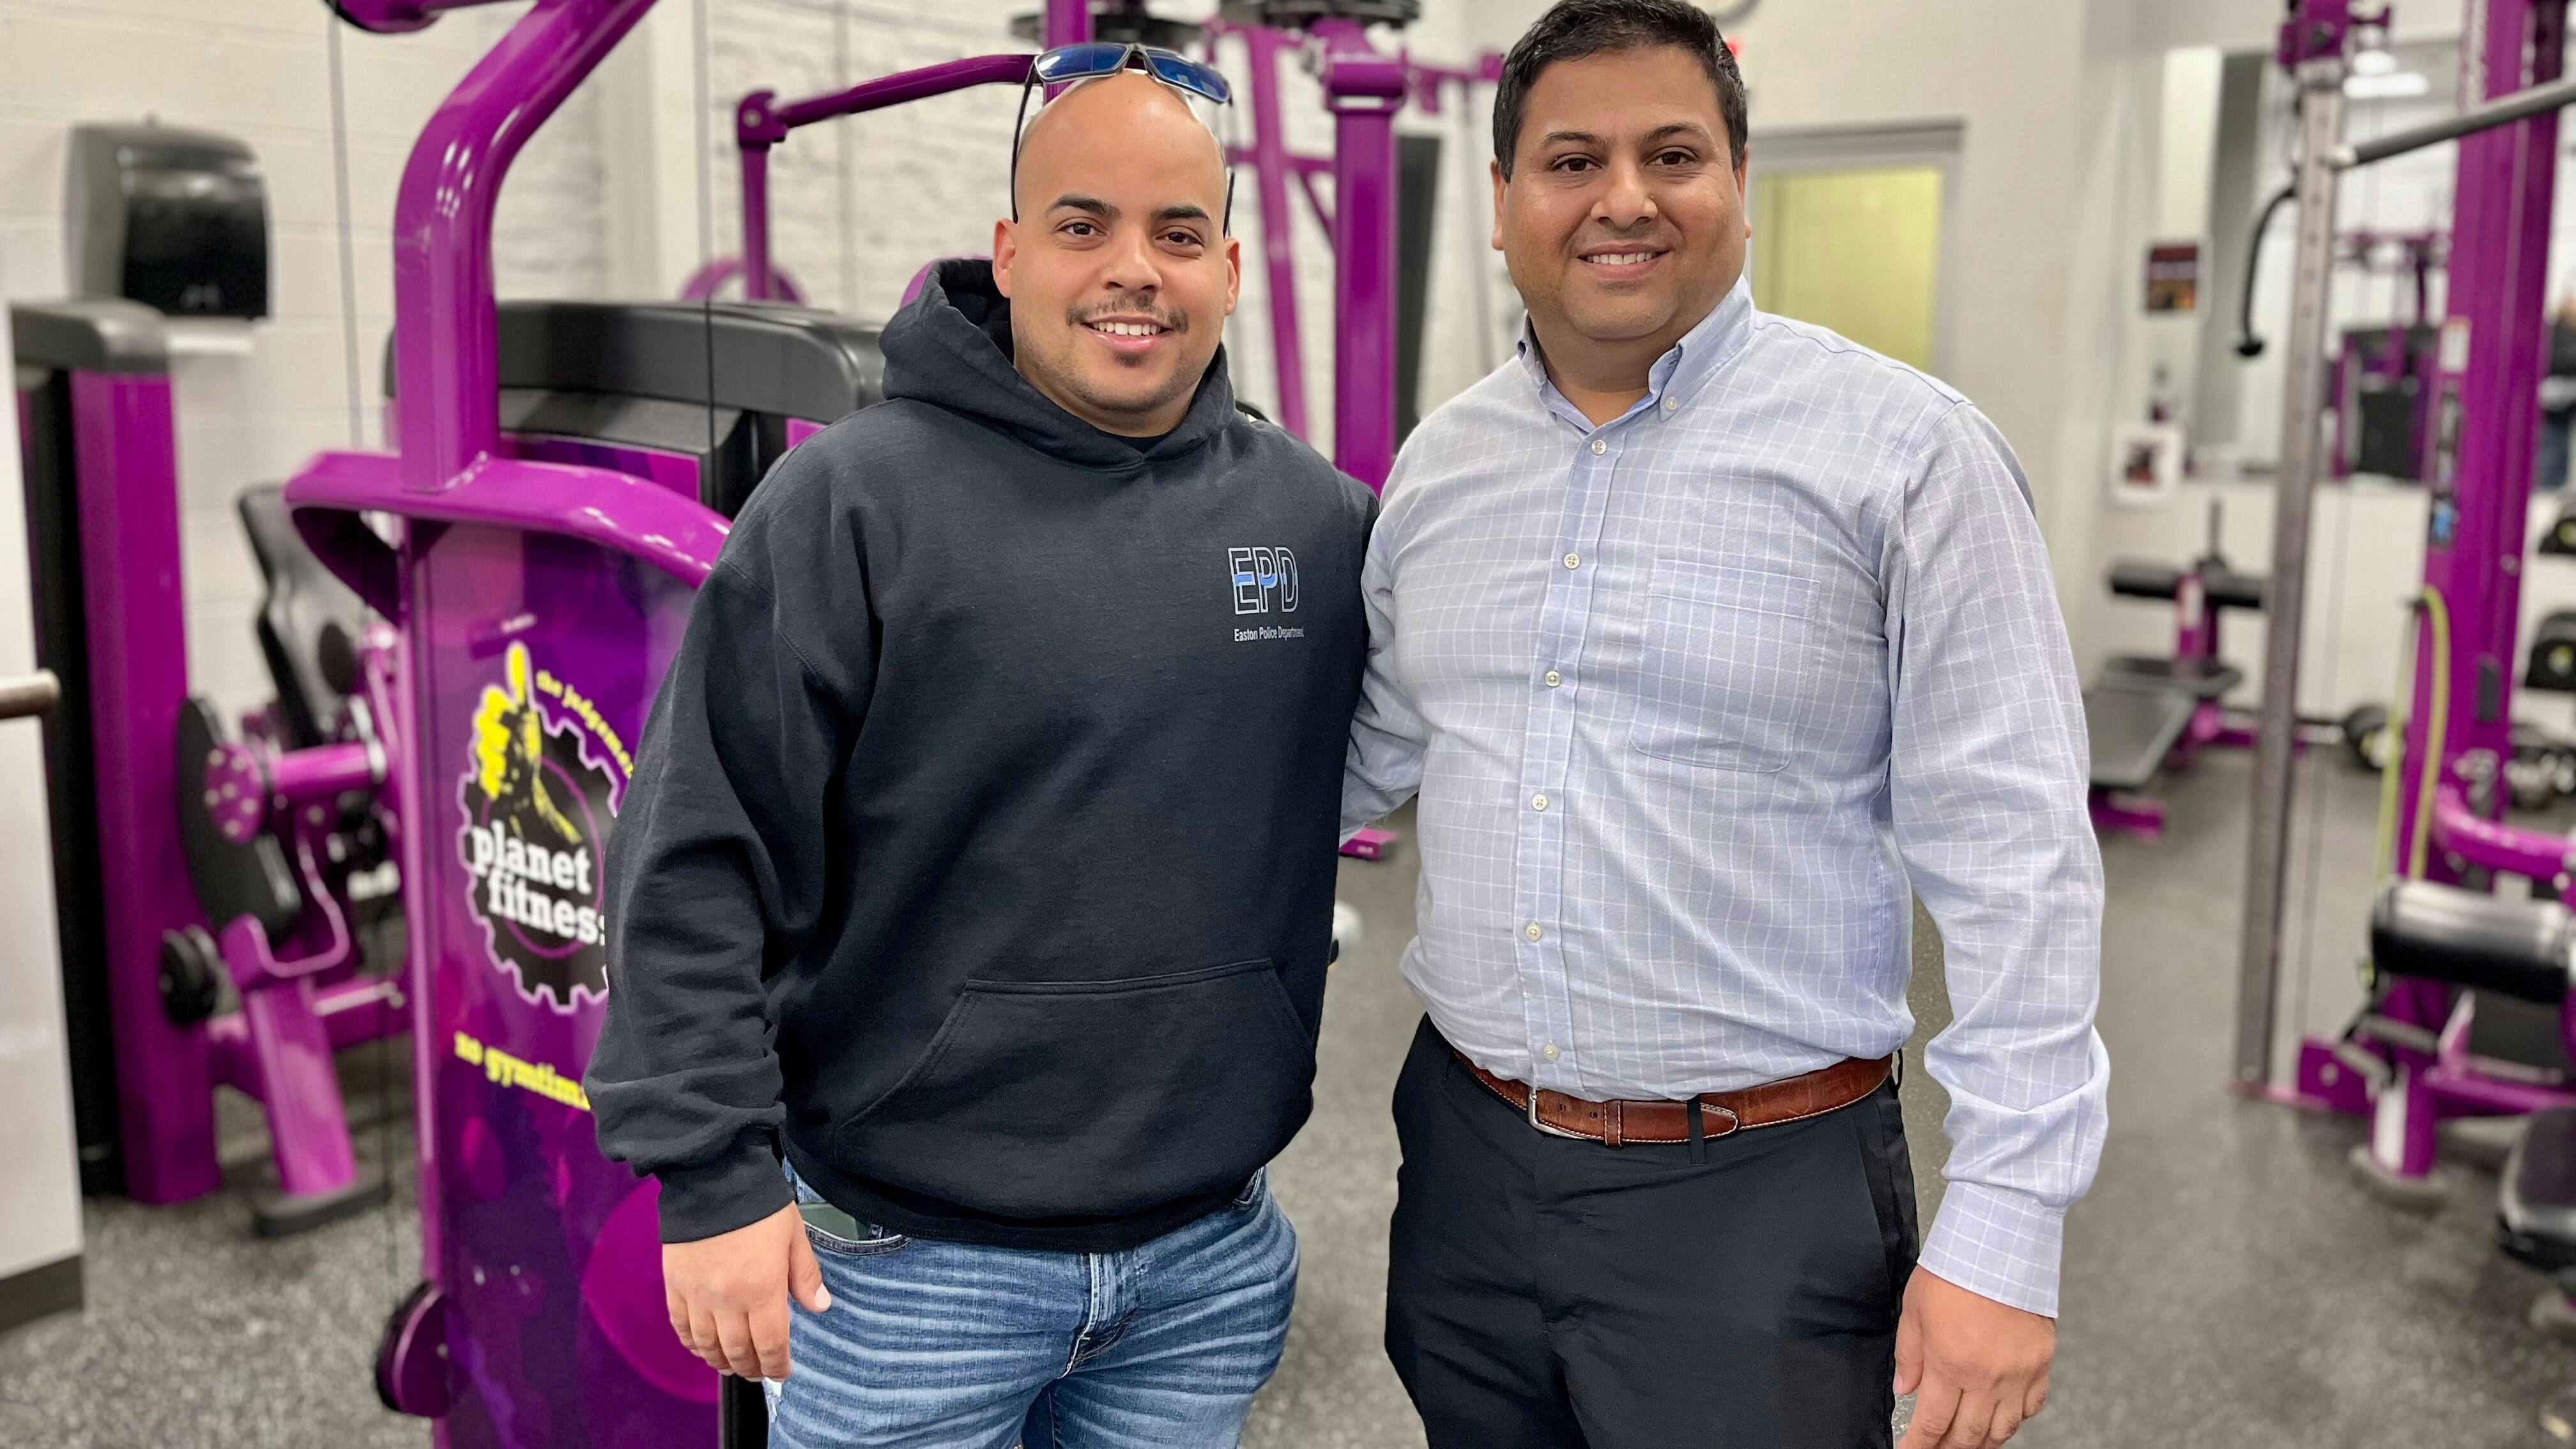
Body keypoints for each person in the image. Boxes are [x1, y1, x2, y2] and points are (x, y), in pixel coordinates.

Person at [1341, 4, 2109, 1448]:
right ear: (1507, 203)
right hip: (1465, 1167)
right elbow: (1356, 754)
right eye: (1571, 159)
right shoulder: (1441, 470)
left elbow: (2019, 858)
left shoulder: (1907, 457)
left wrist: (2007, 1226)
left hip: (1759, 1195)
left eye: (1671, 153)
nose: (1622, 198)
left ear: (1739, 188)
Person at [585, 52, 1374, 1449]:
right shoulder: (849, 505)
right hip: (901, 1272)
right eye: (1084, 226)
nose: (1134, 267)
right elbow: (690, 857)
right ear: (1008, 253)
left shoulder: (1317, 525)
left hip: (1205, 1257)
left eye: (1178, 233)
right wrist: (712, 1179)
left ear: (1232, 267)